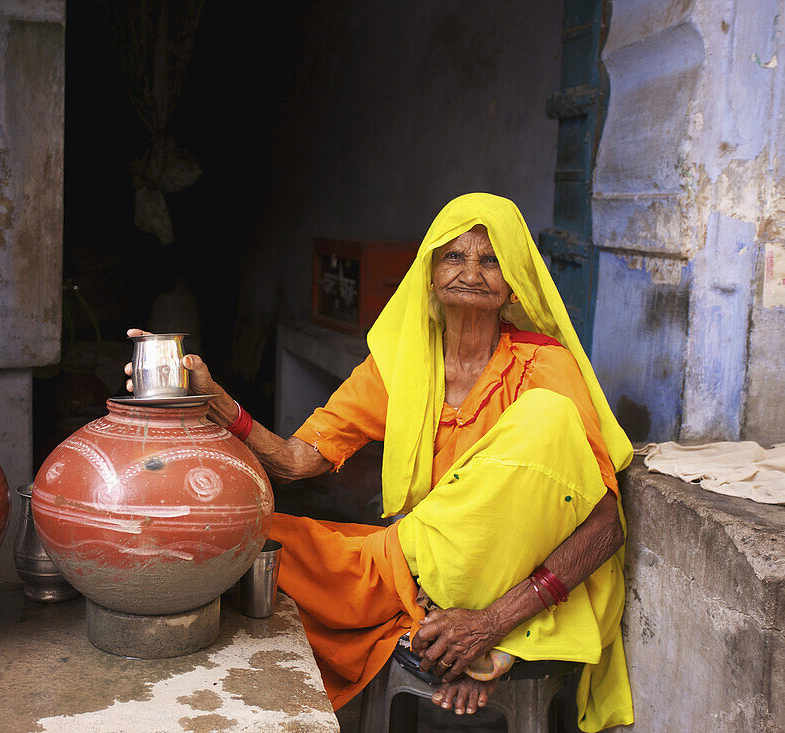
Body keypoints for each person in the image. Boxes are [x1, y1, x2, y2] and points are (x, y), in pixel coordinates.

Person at [125, 193, 633, 731]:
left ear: (513, 286)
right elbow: (298, 461)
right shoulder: (401, 366)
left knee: (546, 419)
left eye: (491, 260)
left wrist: (489, 622)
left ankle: (476, 638)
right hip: (418, 565)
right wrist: (218, 403)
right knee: (247, 539)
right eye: (453, 257)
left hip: (508, 579)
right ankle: (453, 631)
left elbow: (605, 528)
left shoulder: (543, 366)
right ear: (430, 275)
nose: (471, 272)